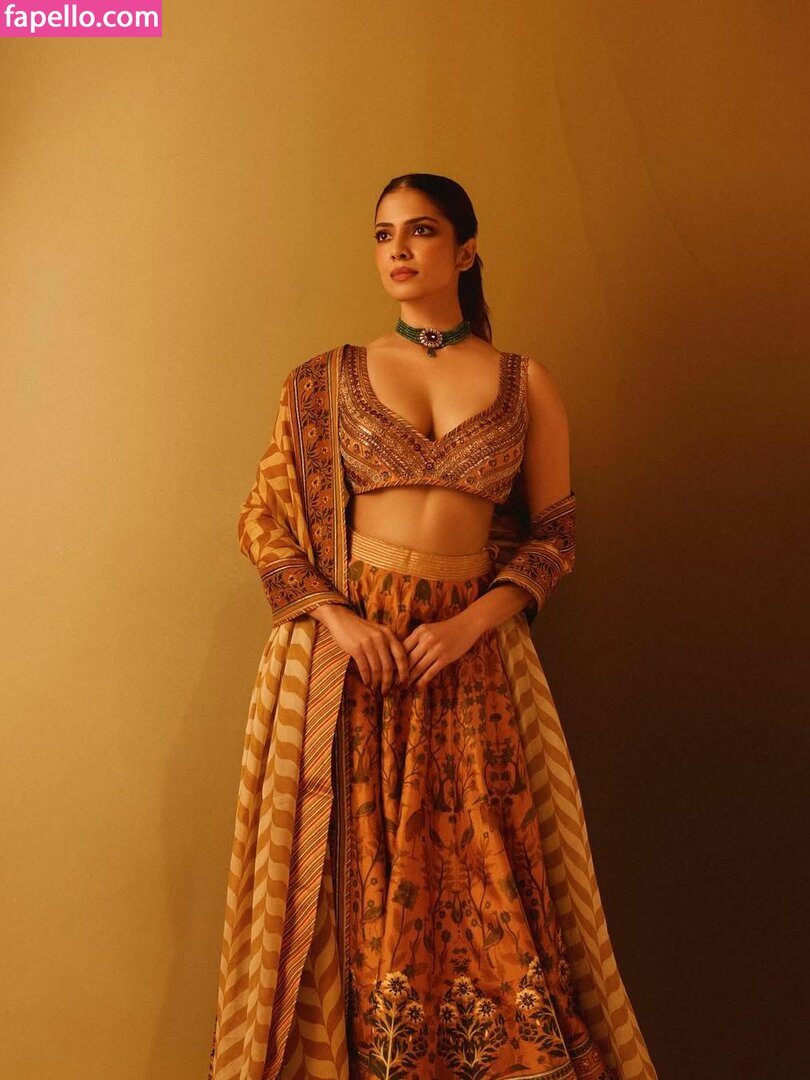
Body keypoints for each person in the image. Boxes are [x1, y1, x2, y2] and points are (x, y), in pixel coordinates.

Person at [208, 173, 657, 1080]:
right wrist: (339, 622)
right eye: (384, 235)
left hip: (469, 662)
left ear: (466, 250)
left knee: (487, 886)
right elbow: (264, 522)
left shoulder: (524, 384)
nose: (399, 251)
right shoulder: (325, 380)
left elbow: (554, 535)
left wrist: (470, 626)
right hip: (349, 668)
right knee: (355, 895)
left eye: (420, 231)